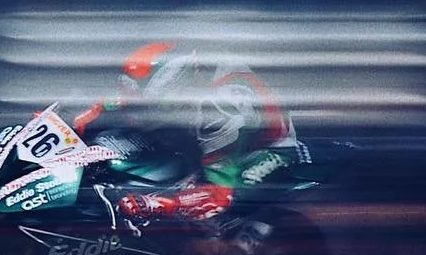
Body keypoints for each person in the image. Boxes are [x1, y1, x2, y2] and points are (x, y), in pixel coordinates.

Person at [73, 41, 312, 238]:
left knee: (214, 210)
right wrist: (86, 113)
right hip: (202, 136)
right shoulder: (187, 73)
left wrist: (164, 205)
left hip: (258, 154)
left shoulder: (218, 111)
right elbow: (127, 94)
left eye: (150, 106)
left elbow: (221, 194)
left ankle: (220, 241)